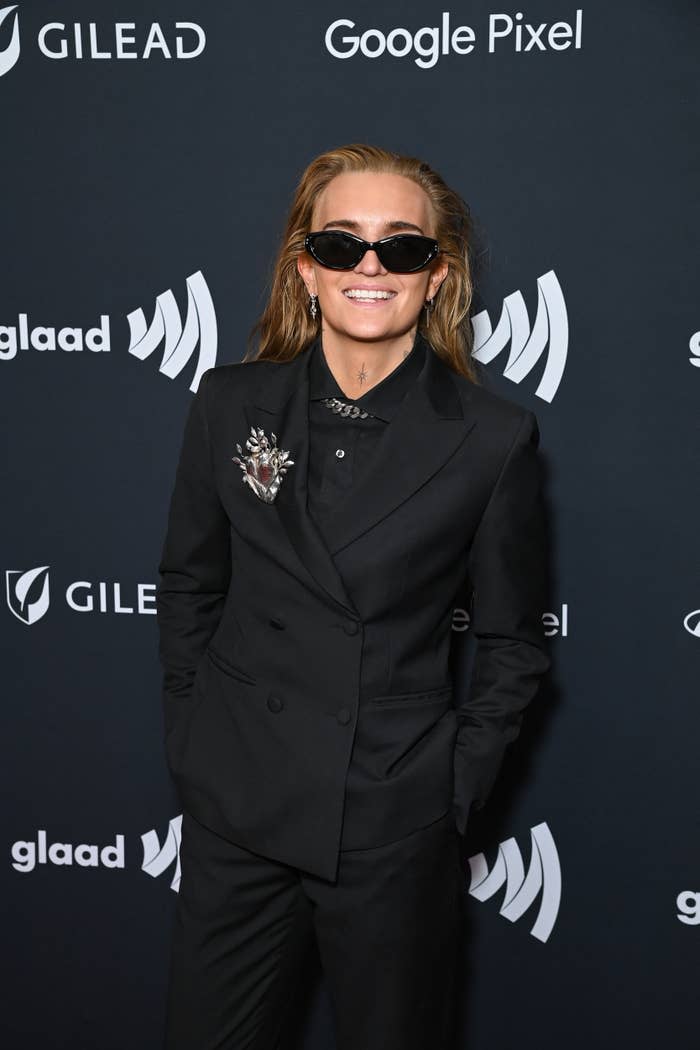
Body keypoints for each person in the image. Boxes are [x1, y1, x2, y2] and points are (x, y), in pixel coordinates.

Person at [156, 143, 550, 1050]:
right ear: (306, 269)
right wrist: (197, 744)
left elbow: (515, 641)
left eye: (401, 248)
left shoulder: (491, 439)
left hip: (388, 821)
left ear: (437, 276)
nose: (370, 267)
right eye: (342, 245)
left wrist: (446, 791)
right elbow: (189, 585)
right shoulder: (227, 403)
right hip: (240, 812)